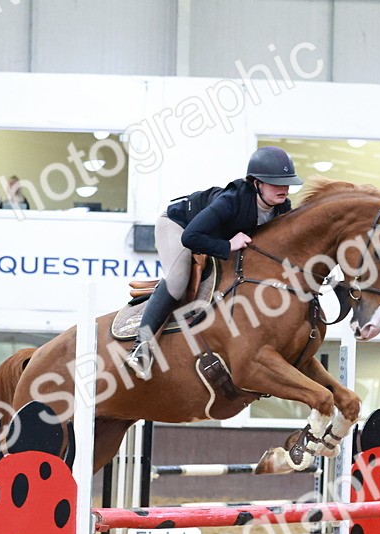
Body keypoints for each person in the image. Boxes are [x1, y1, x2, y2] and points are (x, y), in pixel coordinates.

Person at [124, 145, 303, 380]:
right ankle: (141, 348)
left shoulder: (282, 208)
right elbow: (191, 237)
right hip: (178, 225)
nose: (284, 189)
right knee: (178, 280)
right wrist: (228, 245)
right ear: (256, 183)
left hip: (210, 235)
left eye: (287, 183)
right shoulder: (232, 200)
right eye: (276, 183)